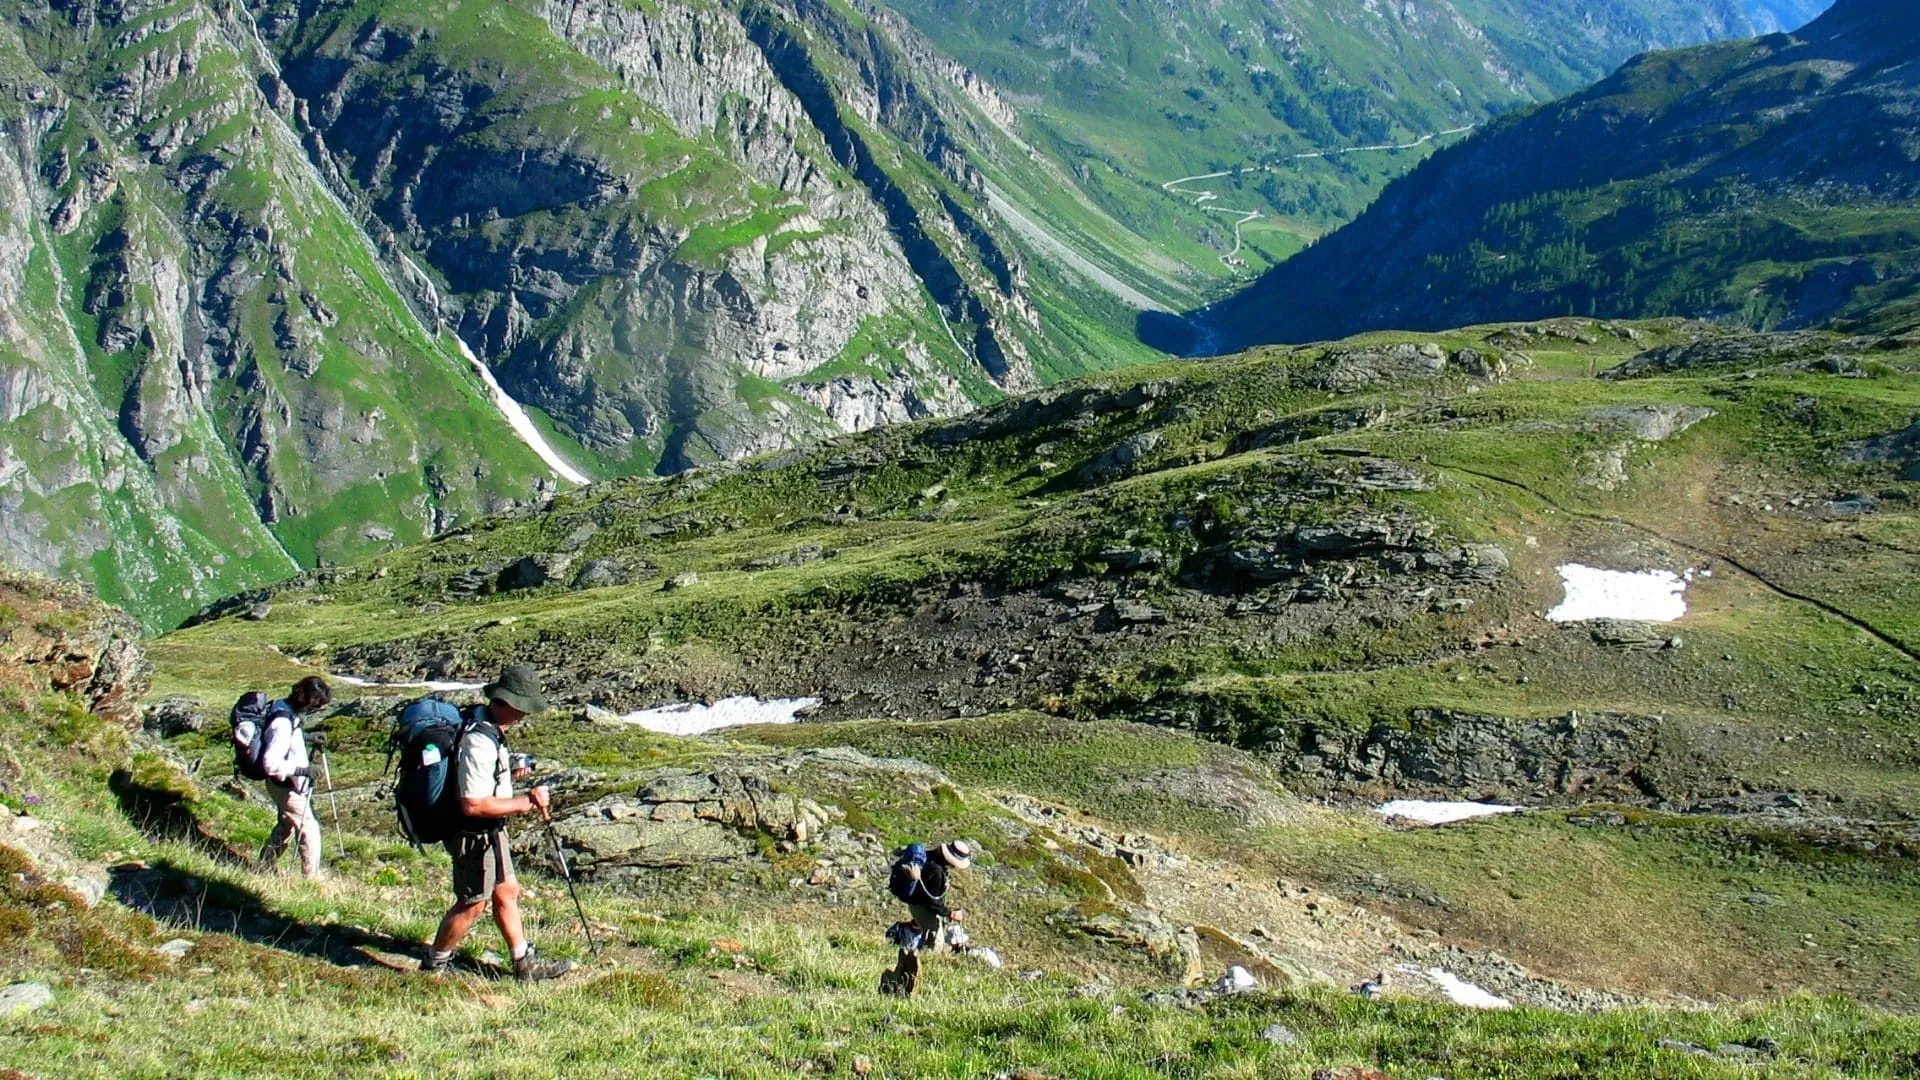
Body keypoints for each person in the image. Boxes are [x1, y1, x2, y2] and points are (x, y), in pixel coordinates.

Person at [421, 663, 572, 982]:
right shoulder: (480, 740)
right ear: (507, 702)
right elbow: (473, 804)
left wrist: (511, 770)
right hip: (473, 832)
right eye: (522, 708)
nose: (524, 715)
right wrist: (525, 802)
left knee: (506, 890)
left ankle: (523, 962)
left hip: (491, 829)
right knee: (472, 903)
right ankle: (434, 965)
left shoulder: (487, 725)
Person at [258, 676, 331, 880]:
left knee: (287, 825)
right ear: (306, 700)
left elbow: (285, 738)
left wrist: (308, 737)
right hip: (286, 785)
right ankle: (311, 879)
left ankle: (265, 864)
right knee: (309, 827)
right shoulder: (282, 722)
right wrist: (303, 771)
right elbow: (271, 763)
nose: (315, 710)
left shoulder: (284, 709)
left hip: (282, 785)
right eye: (315, 705)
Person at [881, 840, 973, 995]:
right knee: (935, 941)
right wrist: (950, 913)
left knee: (930, 936)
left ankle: (912, 966)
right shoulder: (936, 871)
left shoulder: (931, 857)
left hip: (916, 904)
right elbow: (932, 902)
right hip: (922, 907)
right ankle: (922, 972)